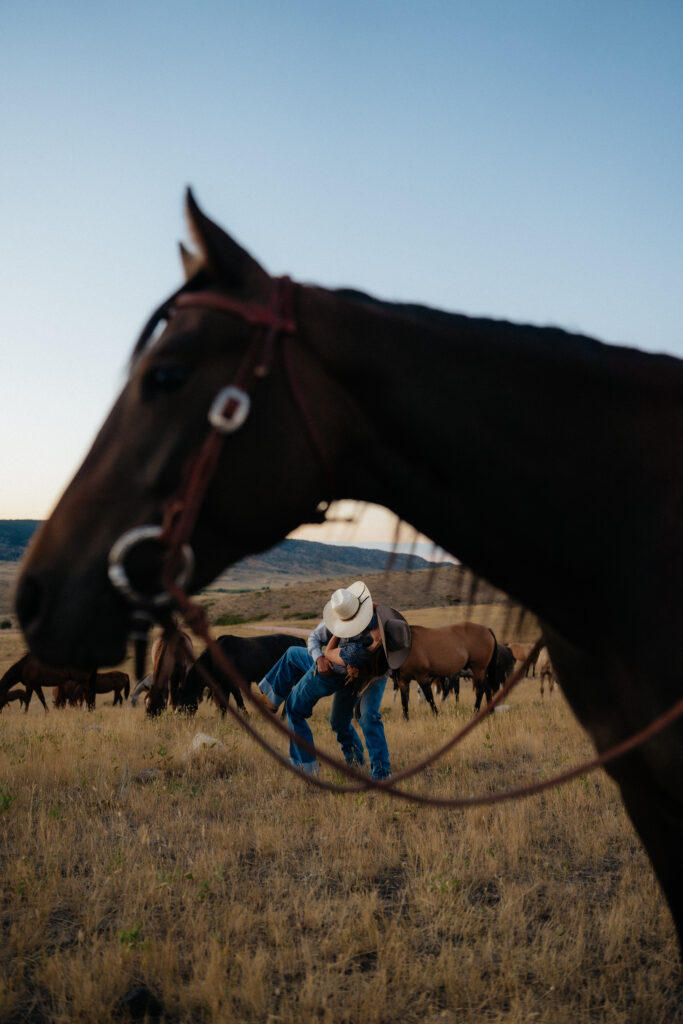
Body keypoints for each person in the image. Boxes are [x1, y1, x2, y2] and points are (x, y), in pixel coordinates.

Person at [255, 582, 409, 778]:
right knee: (294, 655)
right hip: (340, 669)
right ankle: (271, 697)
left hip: (335, 672)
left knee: (296, 710)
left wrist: (332, 644)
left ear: (381, 642)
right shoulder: (379, 623)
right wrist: (318, 657)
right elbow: (315, 639)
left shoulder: (360, 652)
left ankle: (306, 767)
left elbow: (330, 653)